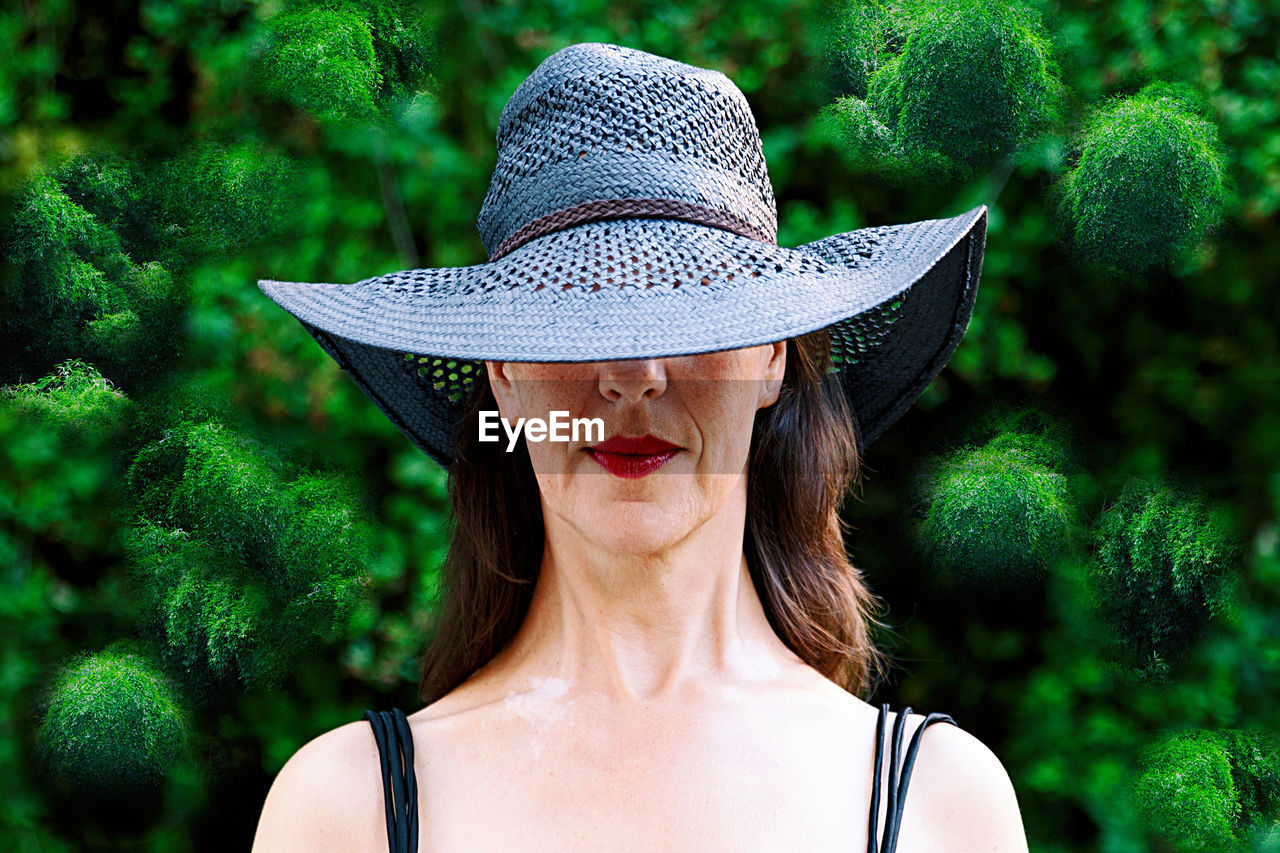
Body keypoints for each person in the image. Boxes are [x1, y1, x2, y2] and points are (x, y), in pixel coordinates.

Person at [251, 42, 1026, 853]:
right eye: (578, 315)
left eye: (693, 316)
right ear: (504, 376)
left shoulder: (940, 802)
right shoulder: (347, 809)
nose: (634, 377)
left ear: (771, 355)